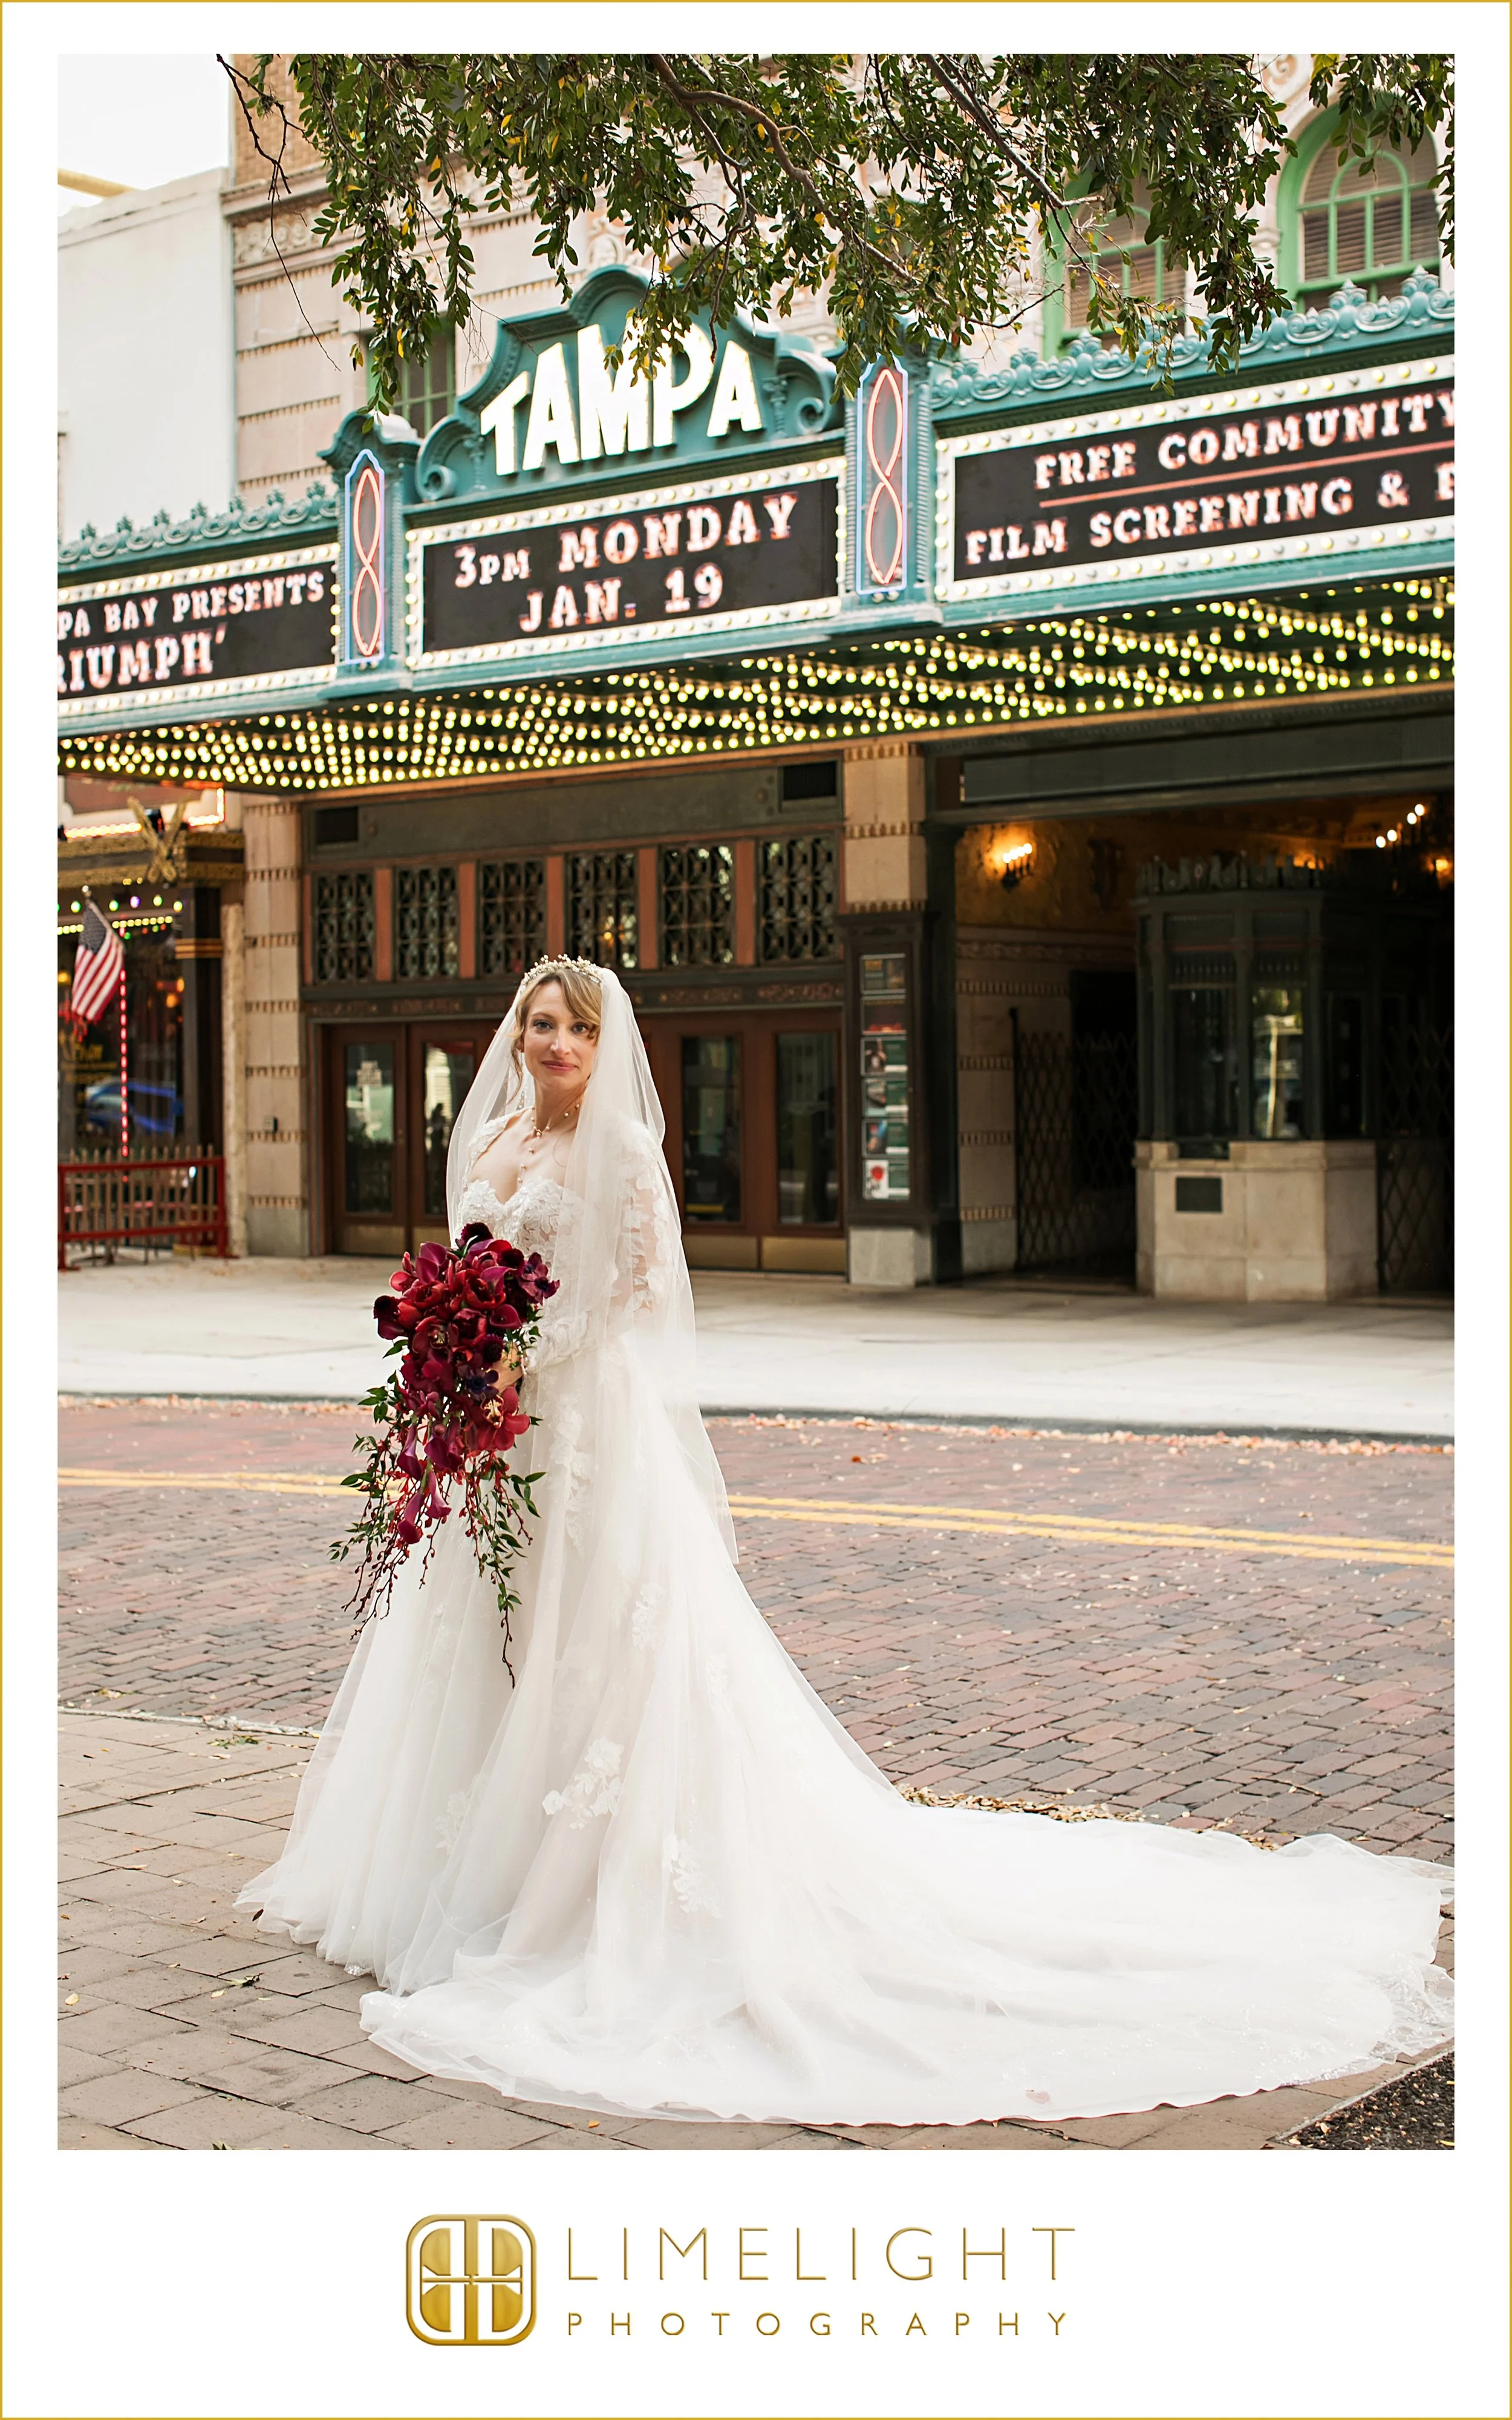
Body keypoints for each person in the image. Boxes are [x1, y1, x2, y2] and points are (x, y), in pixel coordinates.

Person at [240, 957, 1452, 2128]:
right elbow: (460, 1263)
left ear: (608, 1049)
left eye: (577, 1028)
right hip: (494, 1435)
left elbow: (635, 1292)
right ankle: (468, 1868)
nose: (552, 1042)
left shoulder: (618, 1151)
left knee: (597, 1643)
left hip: (582, 1427)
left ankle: (584, 1882)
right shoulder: (493, 1138)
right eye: (539, 1023)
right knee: (487, 1632)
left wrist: (522, 1355)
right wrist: (454, 1356)